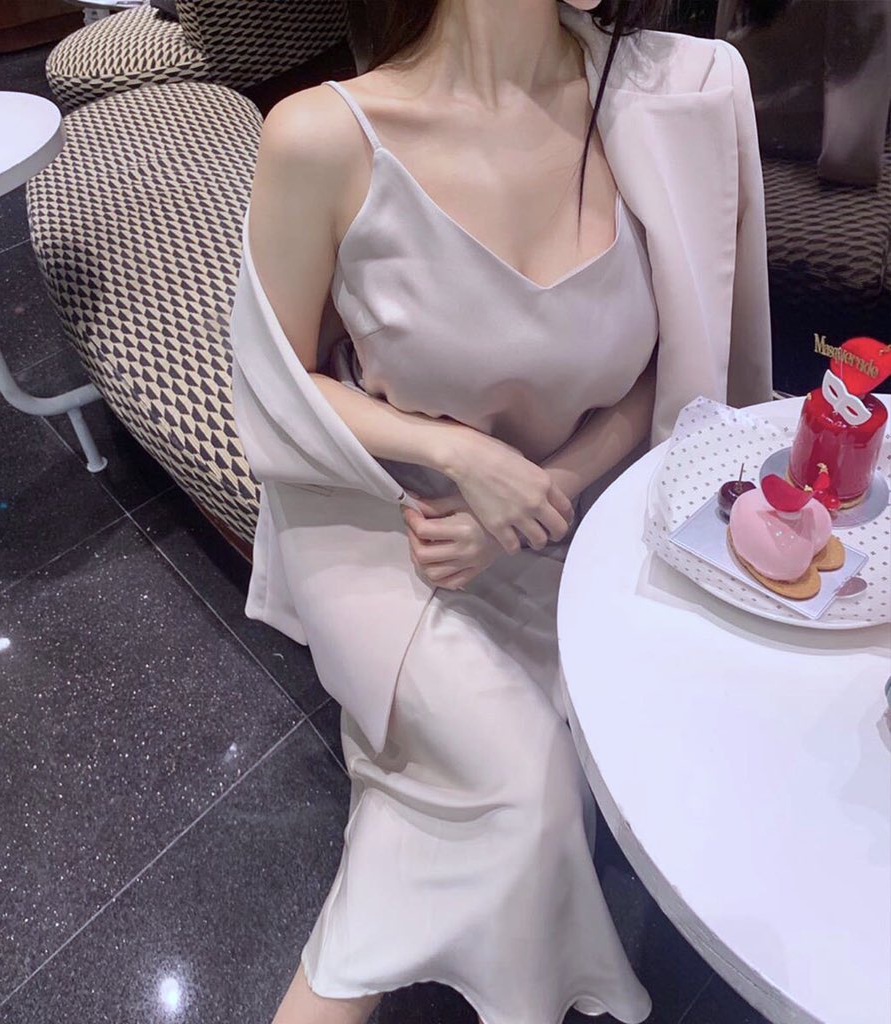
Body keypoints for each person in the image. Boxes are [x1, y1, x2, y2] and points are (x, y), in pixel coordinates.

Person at [229, 1, 772, 1022]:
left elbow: (669, 370)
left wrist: (546, 488)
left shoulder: (669, 103)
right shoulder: (323, 137)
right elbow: (274, 383)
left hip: (582, 516)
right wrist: (455, 454)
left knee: (557, 770)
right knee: (524, 789)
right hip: (391, 527)